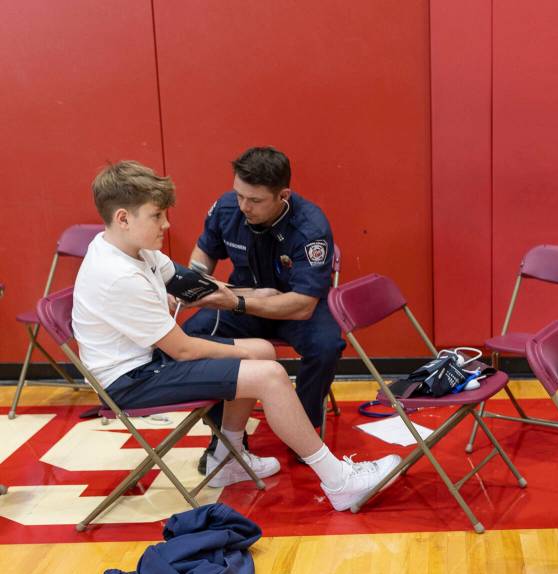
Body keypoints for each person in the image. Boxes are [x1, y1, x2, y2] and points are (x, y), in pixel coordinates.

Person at [72, 161, 398, 510]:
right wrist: (247, 335)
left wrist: (253, 296)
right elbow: (182, 349)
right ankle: (339, 481)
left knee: (260, 350)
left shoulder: (133, 250)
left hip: (150, 361)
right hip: (130, 381)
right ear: (123, 218)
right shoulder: (119, 275)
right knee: (269, 374)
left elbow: (192, 283)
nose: (166, 224)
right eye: (157, 216)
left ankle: (227, 458)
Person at [183, 146, 342, 470]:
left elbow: (303, 305)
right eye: (239, 194)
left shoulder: (310, 226)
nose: (243, 206)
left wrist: (239, 301)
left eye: (254, 201)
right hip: (245, 303)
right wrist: (195, 282)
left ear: (283, 195)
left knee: (327, 345)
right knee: (196, 334)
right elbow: (203, 253)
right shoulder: (227, 208)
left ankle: (304, 429)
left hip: (292, 306)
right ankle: (226, 441)